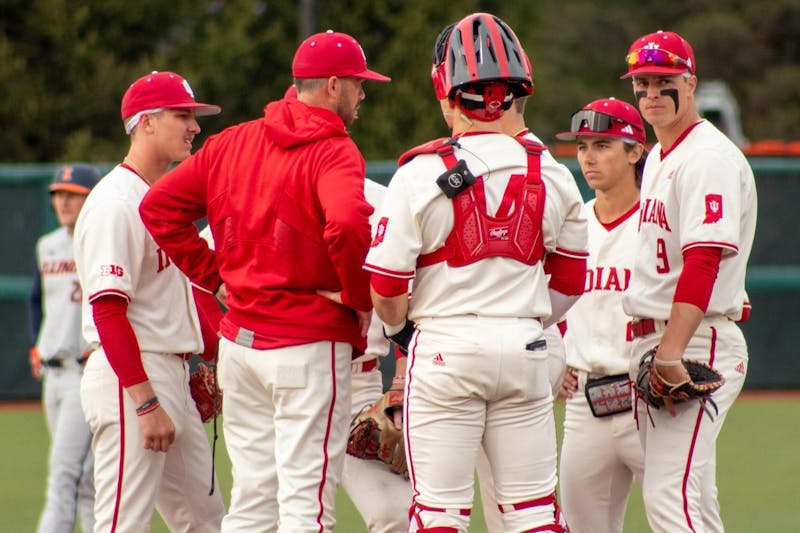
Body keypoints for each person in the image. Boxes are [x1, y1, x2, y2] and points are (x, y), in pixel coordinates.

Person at [138, 31, 390, 532]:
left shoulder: (233, 141)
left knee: (253, 503)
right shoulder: (334, 149)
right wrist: (358, 297)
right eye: (358, 83)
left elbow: (157, 206)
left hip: (241, 348)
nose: (362, 93)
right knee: (304, 505)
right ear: (333, 85)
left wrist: (214, 277)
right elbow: (346, 223)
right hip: (307, 343)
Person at [364, 13, 587, 532]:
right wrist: (522, 320)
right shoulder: (555, 174)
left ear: (445, 92)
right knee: (534, 512)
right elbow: (571, 283)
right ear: (518, 92)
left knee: (439, 512)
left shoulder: (419, 173)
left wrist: (401, 331)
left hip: (445, 346)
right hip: (526, 348)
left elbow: (387, 288)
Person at [73, 70, 226, 532]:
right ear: (146, 122)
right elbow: (107, 310)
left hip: (170, 372)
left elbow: (182, 296)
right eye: (182, 115)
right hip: (132, 377)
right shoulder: (115, 203)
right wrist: (144, 401)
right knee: (124, 523)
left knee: (207, 521)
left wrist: (215, 359)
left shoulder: (160, 198)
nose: (194, 126)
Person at [620, 30, 757, 532]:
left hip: (696, 340)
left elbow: (703, 262)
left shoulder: (707, 157)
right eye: (642, 83)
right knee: (692, 495)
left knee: (666, 493)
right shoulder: (660, 155)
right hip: (663, 337)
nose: (652, 93)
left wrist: (670, 353)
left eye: (665, 81)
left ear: (691, 83)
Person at [552, 97, 647, 533]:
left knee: (680, 517)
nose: (588, 157)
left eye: (603, 145)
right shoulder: (572, 225)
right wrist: (558, 357)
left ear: (635, 152)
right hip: (585, 401)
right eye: (583, 146)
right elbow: (549, 301)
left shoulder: (658, 223)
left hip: (650, 397)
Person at [28, 163, 100, 533]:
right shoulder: (47, 245)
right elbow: (35, 298)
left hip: (82, 371)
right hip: (51, 374)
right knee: (84, 478)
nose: (63, 202)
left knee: (63, 473)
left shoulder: (101, 241)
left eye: (73, 194)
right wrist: (34, 342)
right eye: (58, 194)